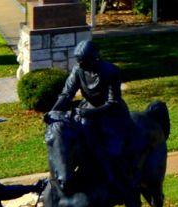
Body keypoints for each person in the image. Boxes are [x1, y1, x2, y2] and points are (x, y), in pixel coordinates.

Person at [51, 38, 141, 195]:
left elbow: (113, 102)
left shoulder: (110, 71)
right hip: (87, 110)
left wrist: (92, 113)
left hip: (111, 114)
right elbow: (67, 94)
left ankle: (121, 185)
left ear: (94, 59)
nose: (80, 65)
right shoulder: (78, 70)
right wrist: (53, 112)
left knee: (113, 151)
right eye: (78, 62)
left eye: (83, 62)